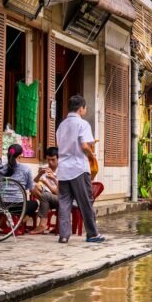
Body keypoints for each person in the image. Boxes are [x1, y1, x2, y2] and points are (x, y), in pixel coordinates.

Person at [56, 95, 105, 243]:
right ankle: (92, 234)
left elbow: (59, 145)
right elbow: (85, 146)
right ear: (81, 108)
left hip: (63, 168)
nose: (85, 110)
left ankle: (64, 235)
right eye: (85, 108)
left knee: (64, 203)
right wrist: (92, 155)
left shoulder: (61, 125)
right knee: (85, 202)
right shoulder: (83, 124)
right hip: (78, 167)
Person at [0, 144, 39, 221]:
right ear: (20, 155)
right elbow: (31, 188)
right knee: (35, 204)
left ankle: (6, 222)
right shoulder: (26, 169)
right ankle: (20, 223)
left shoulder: (0, 168)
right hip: (18, 206)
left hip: (1, 204)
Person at [29, 147, 59, 235]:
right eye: (48, 160)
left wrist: (53, 178)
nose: (50, 162)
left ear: (58, 159)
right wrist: (39, 174)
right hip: (48, 195)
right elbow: (34, 181)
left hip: (59, 196)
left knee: (46, 196)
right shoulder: (46, 167)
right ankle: (47, 206)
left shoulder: (62, 169)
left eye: (53, 160)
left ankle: (42, 224)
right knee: (33, 186)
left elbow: (58, 192)